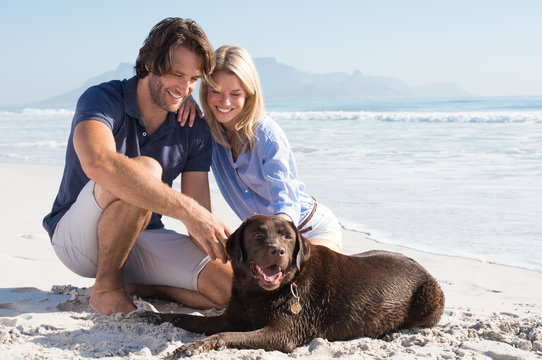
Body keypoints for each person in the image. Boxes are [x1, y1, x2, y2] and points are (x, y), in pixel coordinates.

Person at [42, 18, 233, 316]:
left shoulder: (192, 126)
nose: (185, 89)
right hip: (77, 240)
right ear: (148, 64)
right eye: (176, 74)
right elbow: (97, 163)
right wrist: (187, 212)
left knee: (230, 289)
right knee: (146, 170)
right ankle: (106, 289)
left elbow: (200, 219)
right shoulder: (104, 98)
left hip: (142, 236)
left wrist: (234, 256)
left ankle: (134, 286)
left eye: (194, 79)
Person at [198, 45, 343, 251]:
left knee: (300, 282)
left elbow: (284, 200)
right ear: (205, 91)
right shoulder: (207, 134)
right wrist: (186, 102)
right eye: (216, 91)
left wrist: (272, 245)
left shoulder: (267, 135)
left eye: (235, 93)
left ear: (249, 94)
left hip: (309, 228)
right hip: (267, 239)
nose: (225, 101)